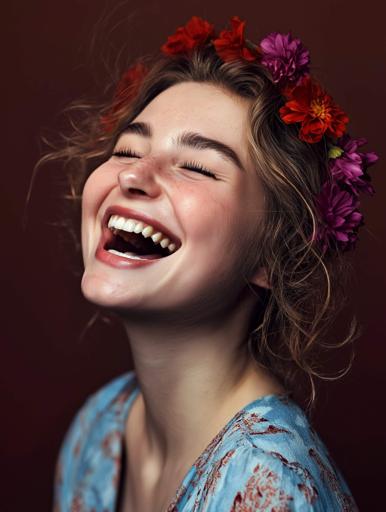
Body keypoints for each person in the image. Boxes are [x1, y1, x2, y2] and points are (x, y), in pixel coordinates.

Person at [46, 15, 378, 512]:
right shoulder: (97, 428)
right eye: (127, 149)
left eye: (197, 167)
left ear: (273, 254)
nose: (135, 173)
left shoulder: (270, 487)